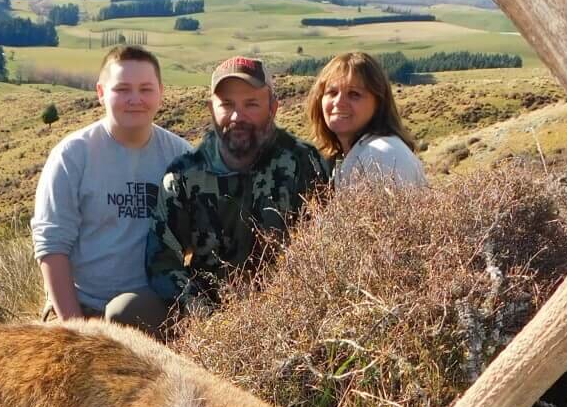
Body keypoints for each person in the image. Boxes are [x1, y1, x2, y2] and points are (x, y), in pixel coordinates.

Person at [139, 55, 330, 317]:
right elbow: (163, 260)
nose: (238, 116)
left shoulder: (304, 163)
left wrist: (285, 306)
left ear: (273, 108)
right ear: (211, 109)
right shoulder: (185, 173)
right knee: (127, 310)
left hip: (288, 309)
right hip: (204, 311)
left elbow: (327, 249)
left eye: (251, 104)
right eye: (227, 104)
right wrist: (203, 314)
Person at [30, 45, 190, 332]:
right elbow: (51, 245)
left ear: (161, 93)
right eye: (122, 89)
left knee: (124, 311)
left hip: (146, 306)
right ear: (101, 93)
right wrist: (76, 329)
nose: (135, 99)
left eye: (145, 89)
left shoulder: (181, 158)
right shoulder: (72, 156)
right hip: (79, 304)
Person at [306, 50, 427, 187]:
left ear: (379, 102)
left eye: (354, 94)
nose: (339, 102)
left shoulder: (383, 156)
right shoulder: (347, 158)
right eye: (332, 93)